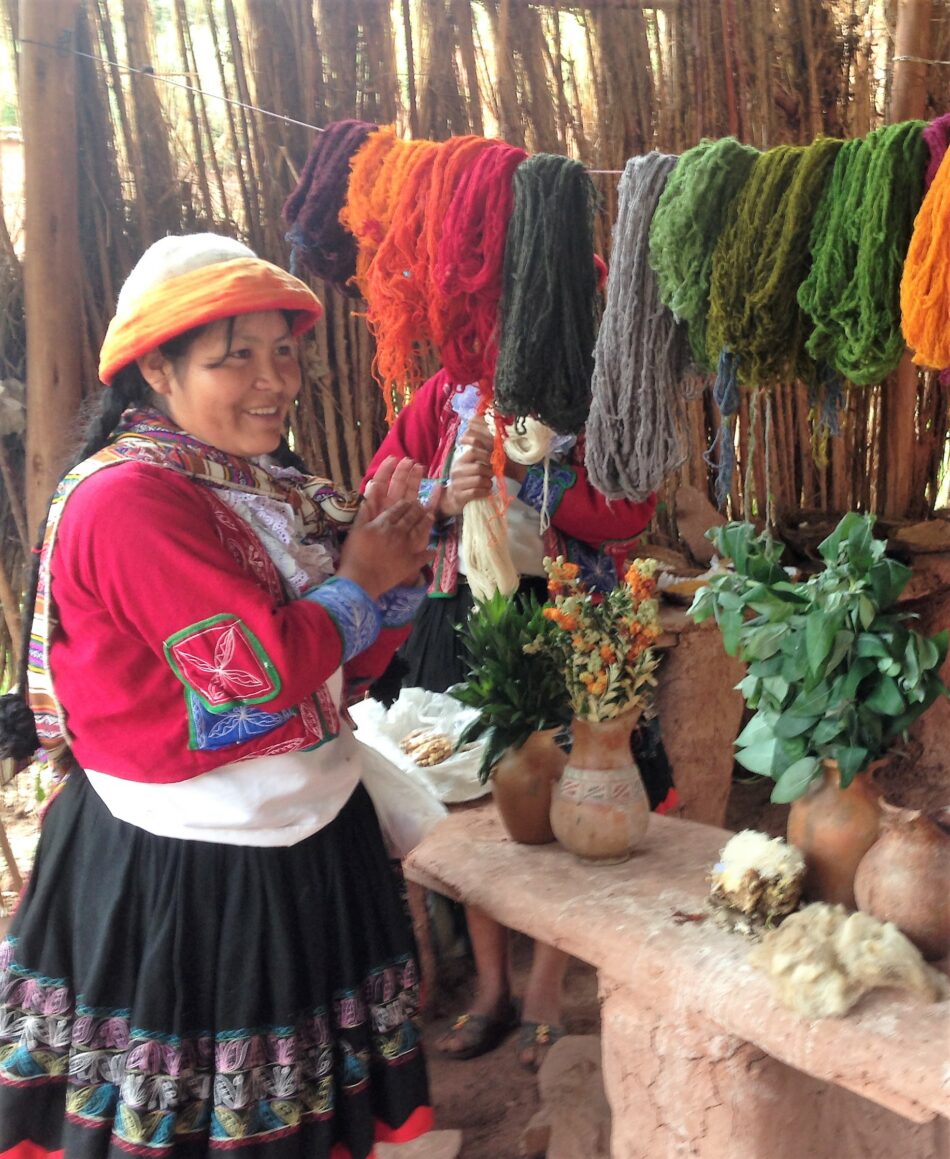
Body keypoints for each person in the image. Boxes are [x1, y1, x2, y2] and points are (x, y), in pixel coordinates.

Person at [0, 234, 437, 1159]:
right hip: (192, 861)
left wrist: (387, 578)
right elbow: (255, 676)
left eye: (283, 349)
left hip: (303, 821)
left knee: (305, 1101)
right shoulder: (128, 501)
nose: (271, 377)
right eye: (234, 354)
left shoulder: (258, 487)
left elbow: (335, 670)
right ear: (155, 369)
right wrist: (360, 581)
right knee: (209, 1116)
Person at [362, 369, 677, 1070]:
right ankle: (492, 985)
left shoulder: (601, 390)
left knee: (570, 798)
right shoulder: (445, 391)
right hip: (464, 609)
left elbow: (626, 509)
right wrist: (440, 495)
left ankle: (544, 989)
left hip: (565, 610)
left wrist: (530, 471)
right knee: (476, 805)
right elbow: (377, 489)